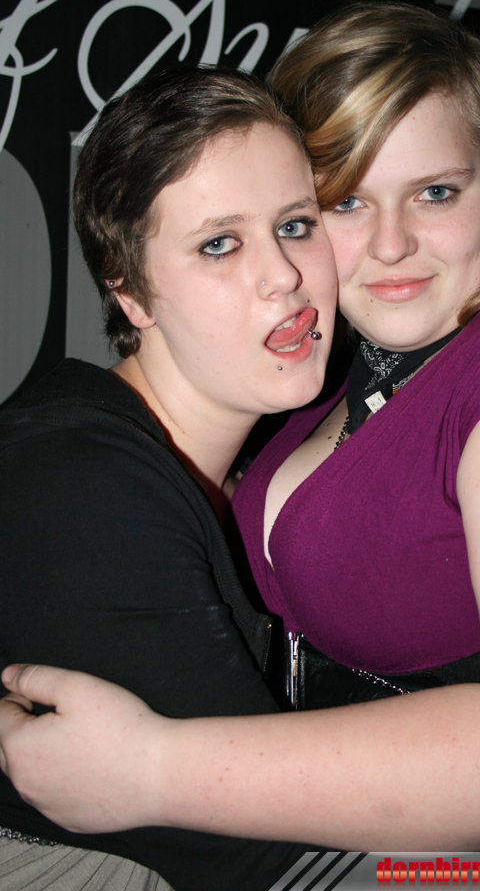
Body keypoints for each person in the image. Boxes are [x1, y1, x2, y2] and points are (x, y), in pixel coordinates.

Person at [1, 4, 480, 877]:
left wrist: (157, 770)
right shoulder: (331, 390)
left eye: (436, 192)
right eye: (346, 201)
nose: (392, 244)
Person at [0, 64, 338, 891]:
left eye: (295, 225)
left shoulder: (240, 471)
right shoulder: (87, 492)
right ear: (131, 293)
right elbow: (290, 870)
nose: (283, 275)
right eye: (219, 243)